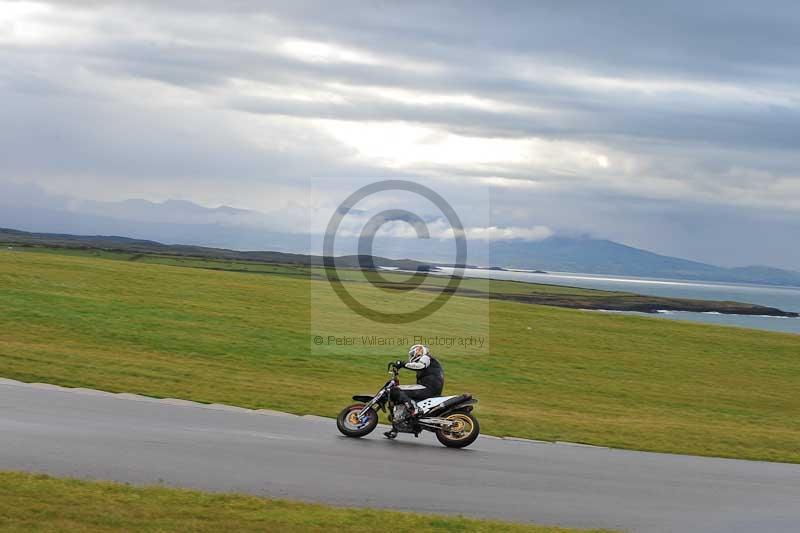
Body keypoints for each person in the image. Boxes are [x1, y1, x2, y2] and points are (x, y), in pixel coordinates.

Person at [384, 344, 445, 439]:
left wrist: (403, 364)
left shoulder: (426, 358)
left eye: (414, 353)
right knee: (400, 396)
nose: (413, 355)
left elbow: (420, 366)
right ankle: (395, 429)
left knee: (396, 390)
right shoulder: (429, 363)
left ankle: (413, 409)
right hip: (430, 388)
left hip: (428, 387)